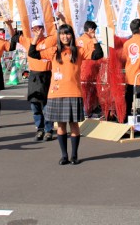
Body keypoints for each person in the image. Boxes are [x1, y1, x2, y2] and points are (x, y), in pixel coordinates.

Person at [28, 24, 103, 165]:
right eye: (62, 34)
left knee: (74, 124)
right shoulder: (53, 51)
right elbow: (32, 53)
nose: (65, 37)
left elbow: (98, 54)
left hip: (74, 92)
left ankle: (74, 155)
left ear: (71, 36)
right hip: (56, 94)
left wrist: (94, 38)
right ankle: (64, 155)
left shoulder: (79, 51)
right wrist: (36, 38)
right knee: (61, 126)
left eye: (68, 34)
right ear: (59, 36)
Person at [12, 18, 58, 141]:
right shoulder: (28, 41)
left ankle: (49, 130)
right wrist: (8, 24)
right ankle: (40, 129)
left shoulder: (50, 39)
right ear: (32, 30)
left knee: (47, 105)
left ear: (43, 29)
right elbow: (14, 36)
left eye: (40, 28)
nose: (38, 30)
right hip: (34, 76)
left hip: (47, 75)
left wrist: (61, 20)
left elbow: (62, 33)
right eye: (35, 28)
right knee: (35, 105)